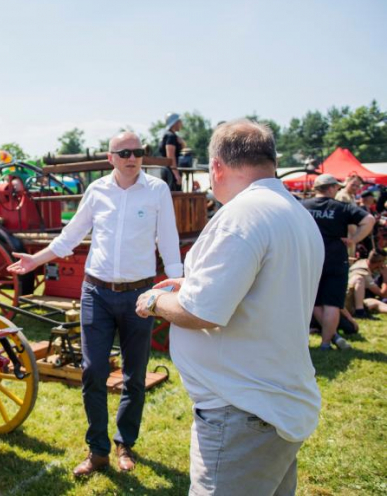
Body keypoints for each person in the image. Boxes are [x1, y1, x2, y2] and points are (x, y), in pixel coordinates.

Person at [136, 119, 323, 496]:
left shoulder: (242, 216)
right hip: (271, 404)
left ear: (217, 166)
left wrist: (155, 301)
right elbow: (262, 289)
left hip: (242, 411)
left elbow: (201, 313)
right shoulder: (294, 212)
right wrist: (190, 284)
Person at [7, 131, 182, 476]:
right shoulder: (97, 190)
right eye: (125, 152)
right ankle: (98, 450)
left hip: (140, 295)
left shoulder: (157, 190)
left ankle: (124, 443)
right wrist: (34, 261)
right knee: (93, 372)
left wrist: (176, 288)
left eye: (138, 152)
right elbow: (70, 236)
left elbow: (170, 241)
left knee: (134, 375)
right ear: (111, 157)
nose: (133, 157)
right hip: (96, 293)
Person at [302, 174, 374, 350]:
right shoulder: (341, 207)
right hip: (335, 259)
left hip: (310, 258)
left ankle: (333, 337)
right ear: (332, 188)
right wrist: (355, 239)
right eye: (337, 187)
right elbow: (369, 220)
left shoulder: (303, 206)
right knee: (332, 303)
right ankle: (326, 342)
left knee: (314, 302)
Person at [158, 112, 184, 191]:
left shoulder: (169, 135)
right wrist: (176, 174)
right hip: (170, 172)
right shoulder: (171, 136)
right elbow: (170, 156)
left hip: (167, 170)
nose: (181, 124)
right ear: (175, 123)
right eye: (179, 121)